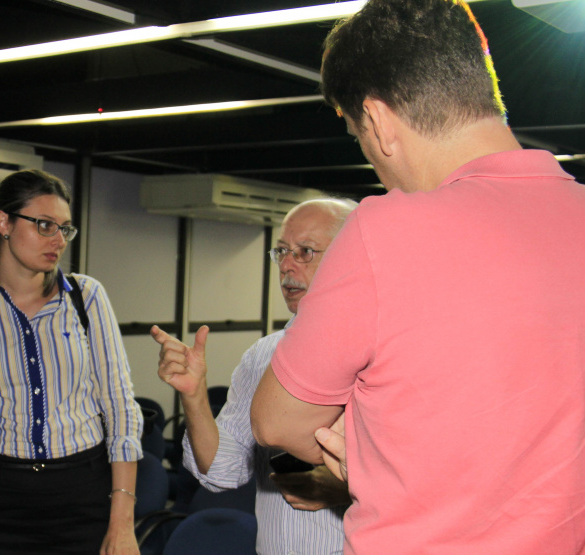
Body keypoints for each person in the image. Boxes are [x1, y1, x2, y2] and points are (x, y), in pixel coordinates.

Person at [250, 0, 585, 552]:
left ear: (378, 122)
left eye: (358, 136)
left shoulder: (384, 229)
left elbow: (276, 423)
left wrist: (373, 453)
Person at [0, 169, 143, 555]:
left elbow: (120, 409)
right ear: (4, 223)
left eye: (65, 229)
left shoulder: (87, 297)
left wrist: (122, 524)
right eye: (45, 225)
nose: (58, 240)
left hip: (83, 497)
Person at [152, 198, 355, 555]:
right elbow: (222, 471)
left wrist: (351, 489)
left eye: (305, 252)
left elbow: (436, 478)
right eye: (282, 251)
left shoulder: (392, 354)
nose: (287, 265)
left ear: (350, 257)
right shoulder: (263, 355)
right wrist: (194, 395)